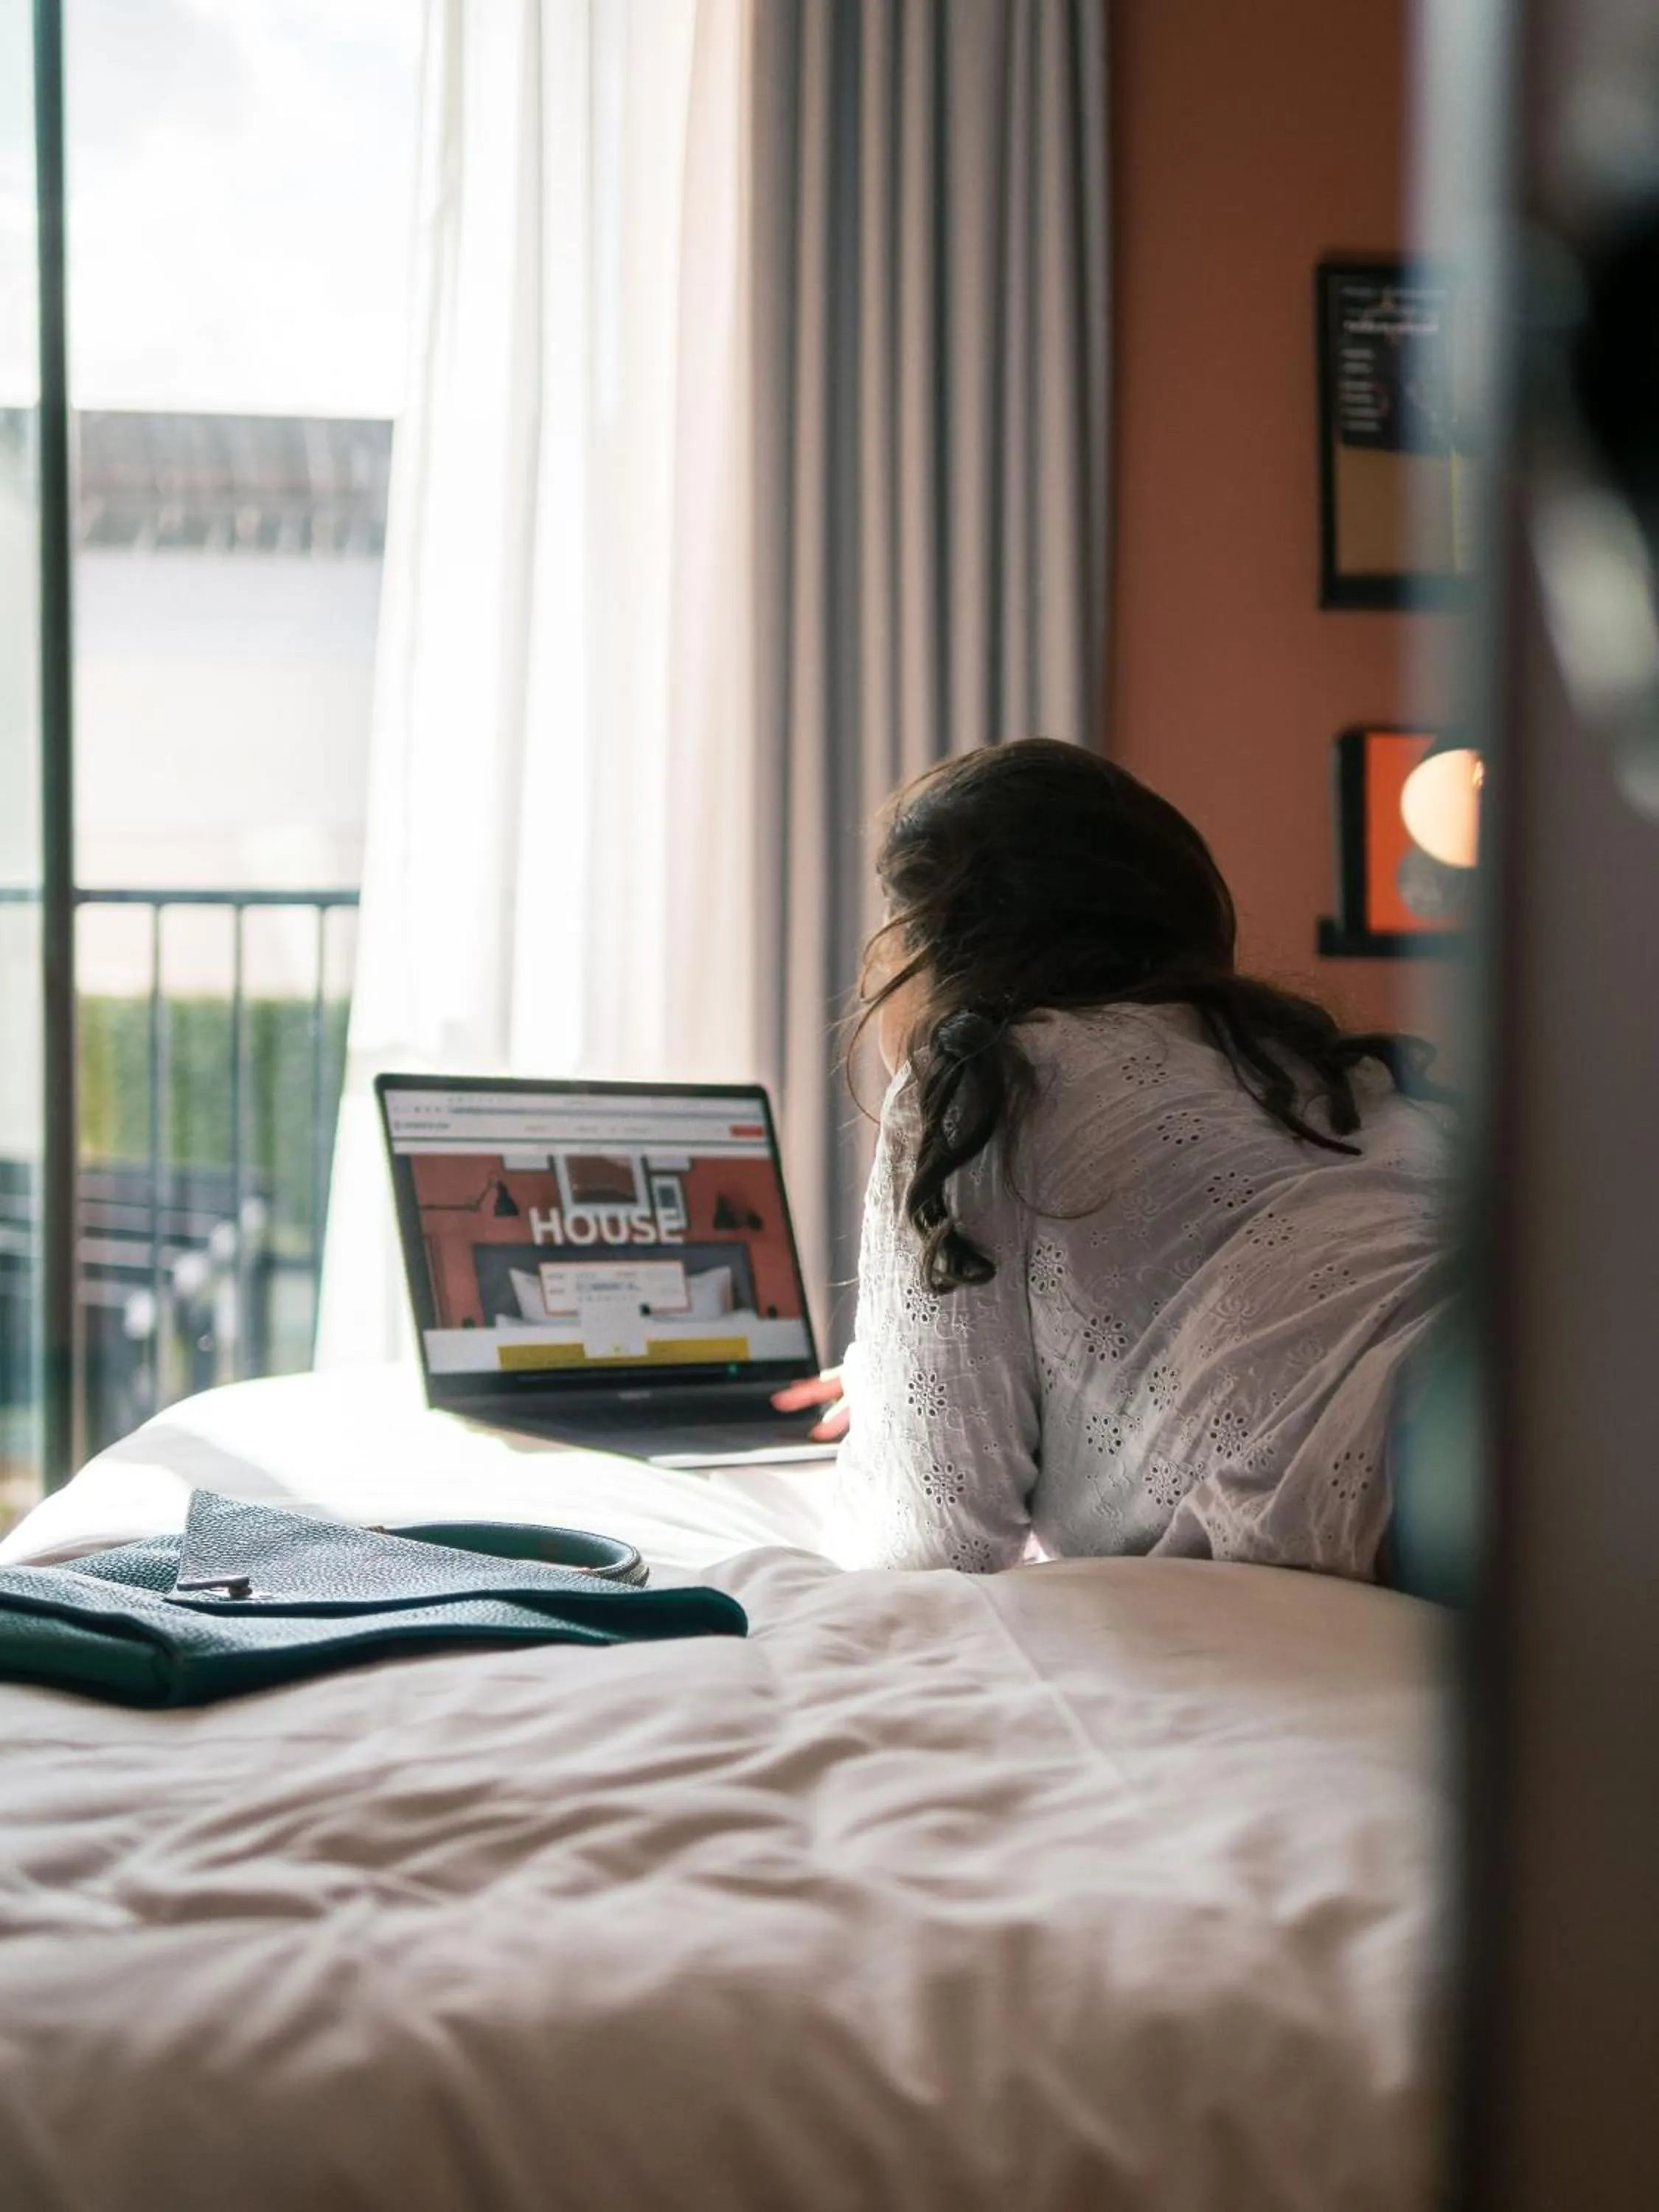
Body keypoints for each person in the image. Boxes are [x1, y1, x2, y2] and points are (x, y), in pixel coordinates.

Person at [774, 740, 1453, 1581]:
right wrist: (903, 1374)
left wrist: (906, 1407)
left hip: (1428, 1455)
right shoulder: (1328, 1068)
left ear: (931, 944)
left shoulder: (988, 1075)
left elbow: (932, 1540)